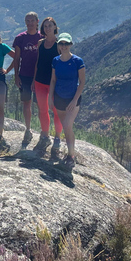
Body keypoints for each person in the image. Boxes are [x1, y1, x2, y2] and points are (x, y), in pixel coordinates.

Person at [48, 33, 85, 169]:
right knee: (66, 127)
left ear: (70, 45)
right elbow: (53, 80)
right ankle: (70, 153)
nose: (63, 46)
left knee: (68, 126)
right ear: (58, 45)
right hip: (59, 98)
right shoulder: (56, 61)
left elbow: (82, 82)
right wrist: (50, 98)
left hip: (72, 99)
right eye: (61, 44)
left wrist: (74, 100)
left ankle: (71, 155)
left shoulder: (77, 61)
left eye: (66, 44)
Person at [12, 12, 43, 144]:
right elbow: (17, 58)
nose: (30, 23)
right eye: (27, 21)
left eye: (32, 20)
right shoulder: (20, 38)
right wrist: (16, 75)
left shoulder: (42, 37)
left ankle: (44, 130)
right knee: (27, 103)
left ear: (37, 21)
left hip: (40, 76)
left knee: (41, 104)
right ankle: (28, 128)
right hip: (24, 75)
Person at [33, 17, 63, 153]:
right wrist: (34, 80)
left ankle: (57, 137)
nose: (47, 28)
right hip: (40, 81)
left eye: (50, 26)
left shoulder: (59, 44)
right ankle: (45, 135)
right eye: (45, 26)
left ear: (55, 27)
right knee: (42, 110)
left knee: (57, 111)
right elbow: (38, 62)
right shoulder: (40, 43)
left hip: (55, 84)